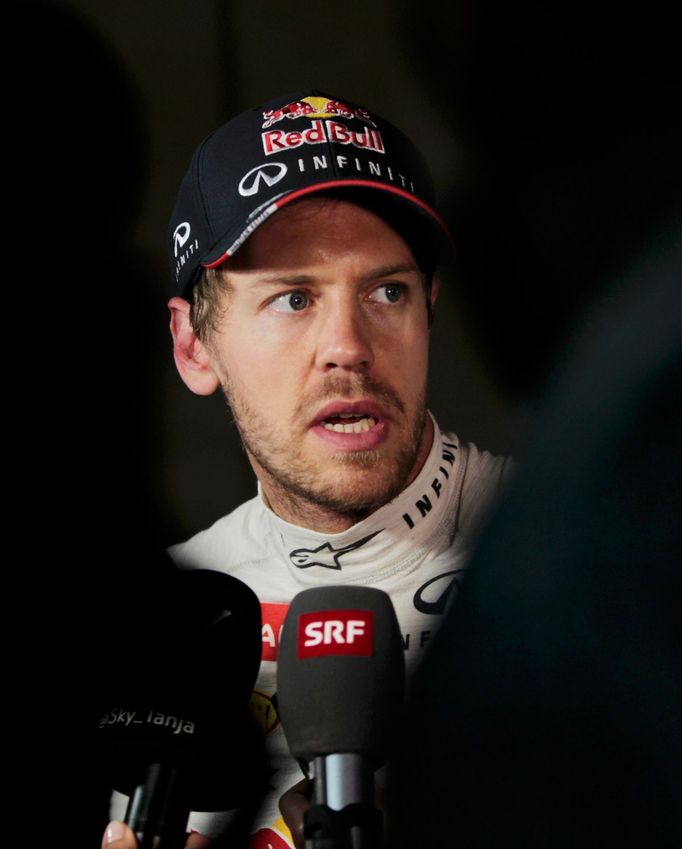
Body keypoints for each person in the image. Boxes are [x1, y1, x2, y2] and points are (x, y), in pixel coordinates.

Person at [105, 91, 513, 848]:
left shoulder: (582, 556)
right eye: (294, 298)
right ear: (195, 346)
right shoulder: (162, 632)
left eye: (386, 291)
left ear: (431, 310)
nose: (348, 345)